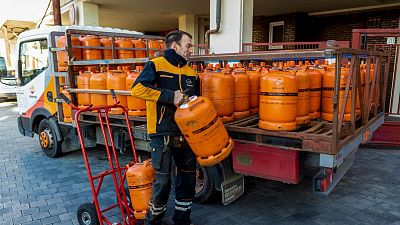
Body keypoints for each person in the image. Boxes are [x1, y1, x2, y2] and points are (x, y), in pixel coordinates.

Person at [130, 30, 198, 225]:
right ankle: (154, 221)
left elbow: (196, 103)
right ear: (174, 46)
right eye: (188, 45)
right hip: (162, 133)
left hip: (186, 134)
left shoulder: (191, 73)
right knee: (163, 182)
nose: (190, 50)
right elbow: (137, 89)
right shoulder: (156, 65)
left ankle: (182, 220)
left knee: (187, 181)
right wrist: (170, 96)